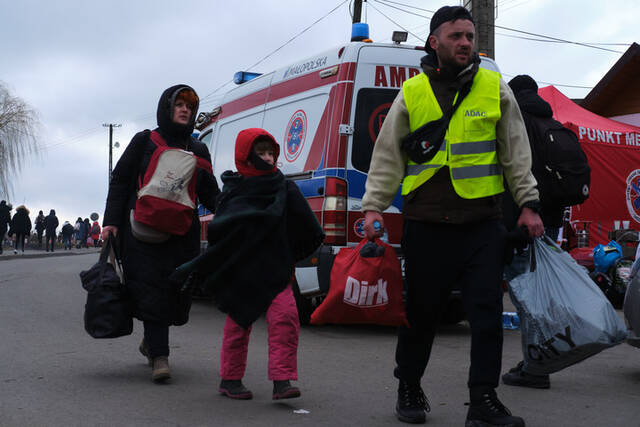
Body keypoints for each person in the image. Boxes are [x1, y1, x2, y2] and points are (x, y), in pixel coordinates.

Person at [360, 6, 544, 426]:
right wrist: (373, 205)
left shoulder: (495, 88)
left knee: (486, 318)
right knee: (422, 316)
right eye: (456, 36)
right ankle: (408, 384)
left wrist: (529, 204)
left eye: (469, 36)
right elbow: (387, 156)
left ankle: (483, 400)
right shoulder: (413, 92)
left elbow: (516, 153)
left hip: (482, 225)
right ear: (434, 42)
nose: (465, 43)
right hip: (427, 225)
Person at [171, 128, 324, 401]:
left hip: (276, 270)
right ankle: (230, 379)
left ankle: (282, 380)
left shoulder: (285, 188)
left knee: (286, 319)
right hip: (241, 272)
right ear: (246, 157)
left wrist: (290, 253)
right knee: (238, 323)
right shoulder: (235, 192)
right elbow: (221, 231)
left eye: (270, 153)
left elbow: (306, 226)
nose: (267, 158)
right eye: (261, 153)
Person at [101, 84, 220, 383]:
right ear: (167, 108)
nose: (184, 110)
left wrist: (235, 213)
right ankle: (160, 355)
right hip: (143, 231)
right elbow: (120, 181)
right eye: (178, 104)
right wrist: (110, 222)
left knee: (175, 294)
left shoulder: (198, 150)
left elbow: (209, 193)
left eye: (189, 107)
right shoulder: (144, 141)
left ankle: (151, 343)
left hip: (183, 234)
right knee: (152, 288)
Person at [501, 74, 568, 390]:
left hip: (523, 222)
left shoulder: (519, 122)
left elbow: (516, 174)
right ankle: (538, 359)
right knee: (538, 293)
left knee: (527, 297)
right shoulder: (550, 122)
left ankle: (536, 366)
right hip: (550, 221)